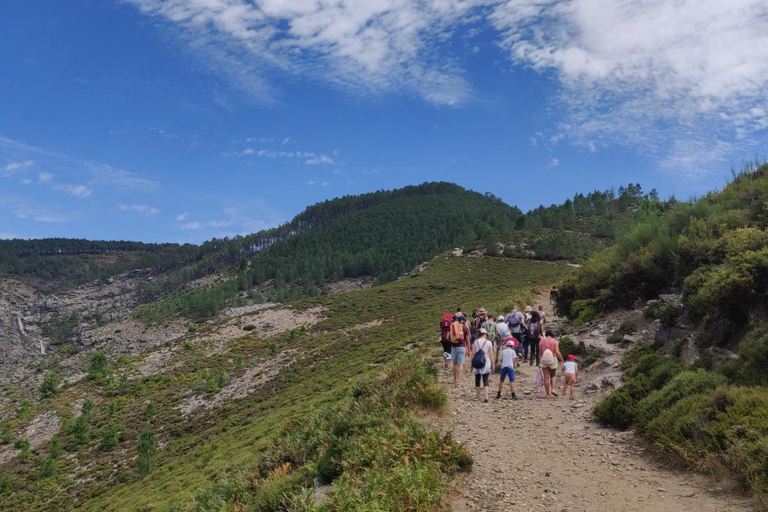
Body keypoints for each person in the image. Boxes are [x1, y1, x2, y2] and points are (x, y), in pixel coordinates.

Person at [538, 330, 563, 399]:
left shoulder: (541, 341)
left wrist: (539, 362)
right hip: (553, 359)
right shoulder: (555, 341)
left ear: (546, 334)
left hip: (544, 360)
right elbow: (557, 352)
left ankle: (547, 394)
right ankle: (553, 389)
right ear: (552, 334)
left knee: (546, 377)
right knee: (553, 376)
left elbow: (540, 353)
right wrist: (561, 360)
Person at [471, 328, 494, 402]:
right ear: (484, 334)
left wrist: (471, 364)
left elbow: (473, 353)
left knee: (477, 378)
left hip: (477, 361)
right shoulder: (489, 342)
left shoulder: (475, 342)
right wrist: (492, 364)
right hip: (485, 361)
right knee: (485, 379)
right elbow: (491, 354)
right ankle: (486, 395)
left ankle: (478, 395)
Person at [450, 314, 470, 386]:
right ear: (463, 320)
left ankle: (455, 379)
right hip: (461, 347)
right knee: (460, 363)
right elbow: (467, 341)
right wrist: (468, 349)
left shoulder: (453, 327)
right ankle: (458, 380)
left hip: (453, 347)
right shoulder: (464, 328)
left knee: (454, 364)